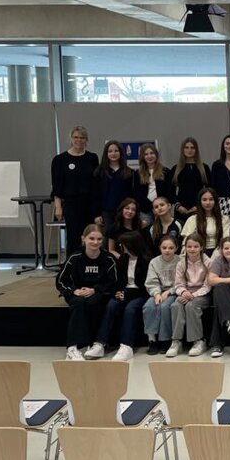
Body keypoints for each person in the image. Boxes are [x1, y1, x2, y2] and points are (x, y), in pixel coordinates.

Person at [56, 224, 118, 361]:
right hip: (77, 293)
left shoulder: (108, 259)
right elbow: (61, 281)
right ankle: (72, 348)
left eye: (99, 239)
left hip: (98, 292)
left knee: (93, 302)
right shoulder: (74, 258)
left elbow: (112, 282)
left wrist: (95, 289)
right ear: (83, 239)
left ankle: (94, 343)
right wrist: (74, 290)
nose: (95, 242)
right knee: (78, 303)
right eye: (91, 238)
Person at [98, 230, 150, 362]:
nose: (121, 247)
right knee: (111, 304)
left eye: (123, 244)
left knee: (130, 308)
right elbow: (119, 281)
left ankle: (126, 346)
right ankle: (100, 342)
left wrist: (126, 294)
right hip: (125, 292)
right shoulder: (123, 259)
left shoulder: (146, 260)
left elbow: (147, 287)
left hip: (141, 294)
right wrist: (117, 292)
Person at [51, 125, 99, 258]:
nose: (79, 140)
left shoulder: (92, 158)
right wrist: (58, 206)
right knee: (73, 237)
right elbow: (56, 186)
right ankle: (72, 265)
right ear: (71, 139)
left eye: (82, 138)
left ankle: (89, 263)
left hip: (89, 204)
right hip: (71, 204)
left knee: (90, 236)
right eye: (76, 137)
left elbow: (96, 184)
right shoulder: (60, 160)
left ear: (86, 140)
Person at [169, 235, 213, 358]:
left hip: (203, 294)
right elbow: (178, 284)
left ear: (201, 247)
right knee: (176, 305)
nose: (192, 249)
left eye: (195, 246)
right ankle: (176, 341)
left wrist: (192, 296)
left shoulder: (208, 262)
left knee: (191, 306)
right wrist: (183, 292)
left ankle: (198, 341)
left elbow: (207, 286)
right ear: (185, 247)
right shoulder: (181, 263)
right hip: (186, 293)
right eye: (189, 246)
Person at [142, 233, 181, 355]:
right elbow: (151, 282)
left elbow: (182, 282)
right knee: (149, 306)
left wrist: (169, 292)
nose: (167, 250)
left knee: (165, 307)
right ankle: (152, 339)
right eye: (164, 248)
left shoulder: (180, 261)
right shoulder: (154, 262)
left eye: (171, 248)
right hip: (158, 291)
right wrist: (156, 293)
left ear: (176, 248)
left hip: (174, 291)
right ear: (160, 248)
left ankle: (165, 340)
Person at [94, 140, 134, 230]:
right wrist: (96, 214)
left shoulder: (129, 172)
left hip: (124, 212)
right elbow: (95, 195)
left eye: (116, 151)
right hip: (106, 213)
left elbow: (131, 194)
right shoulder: (99, 172)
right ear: (106, 154)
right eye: (110, 151)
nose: (113, 153)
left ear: (121, 153)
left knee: (124, 236)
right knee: (108, 237)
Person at [171, 137, 211, 220]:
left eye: (192, 148)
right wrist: (178, 206)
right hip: (181, 209)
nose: (189, 150)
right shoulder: (176, 168)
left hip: (199, 207)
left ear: (196, 150)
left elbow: (210, 189)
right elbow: (170, 191)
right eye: (186, 147)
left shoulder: (204, 168)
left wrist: (199, 205)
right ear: (182, 150)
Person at [180, 187, 229, 254]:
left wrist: (216, 255)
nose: (208, 202)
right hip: (197, 252)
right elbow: (187, 240)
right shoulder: (192, 219)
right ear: (200, 202)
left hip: (219, 252)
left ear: (215, 201)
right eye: (204, 200)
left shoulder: (224, 219)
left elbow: (225, 240)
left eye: (211, 199)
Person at [134, 143, 170, 224]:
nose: (149, 156)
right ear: (142, 157)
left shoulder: (165, 171)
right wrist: (151, 207)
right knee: (146, 230)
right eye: (146, 154)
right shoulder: (138, 173)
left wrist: (159, 205)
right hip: (145, 209)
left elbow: (168, 190)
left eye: (151, 153)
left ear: (156, 155)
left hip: (162, 208)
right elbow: (137, 193)